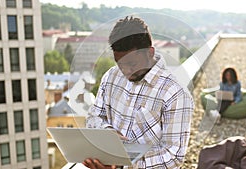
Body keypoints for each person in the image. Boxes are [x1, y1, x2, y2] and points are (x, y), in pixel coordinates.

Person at [83, 16, 194, 169]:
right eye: (120, 64)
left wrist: (122, 165)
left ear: (150, 52)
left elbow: (173, 156)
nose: (126, 71)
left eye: (132, 64)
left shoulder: (175, 93)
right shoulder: (111, 76)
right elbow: (94, 117)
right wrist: (108, 134)